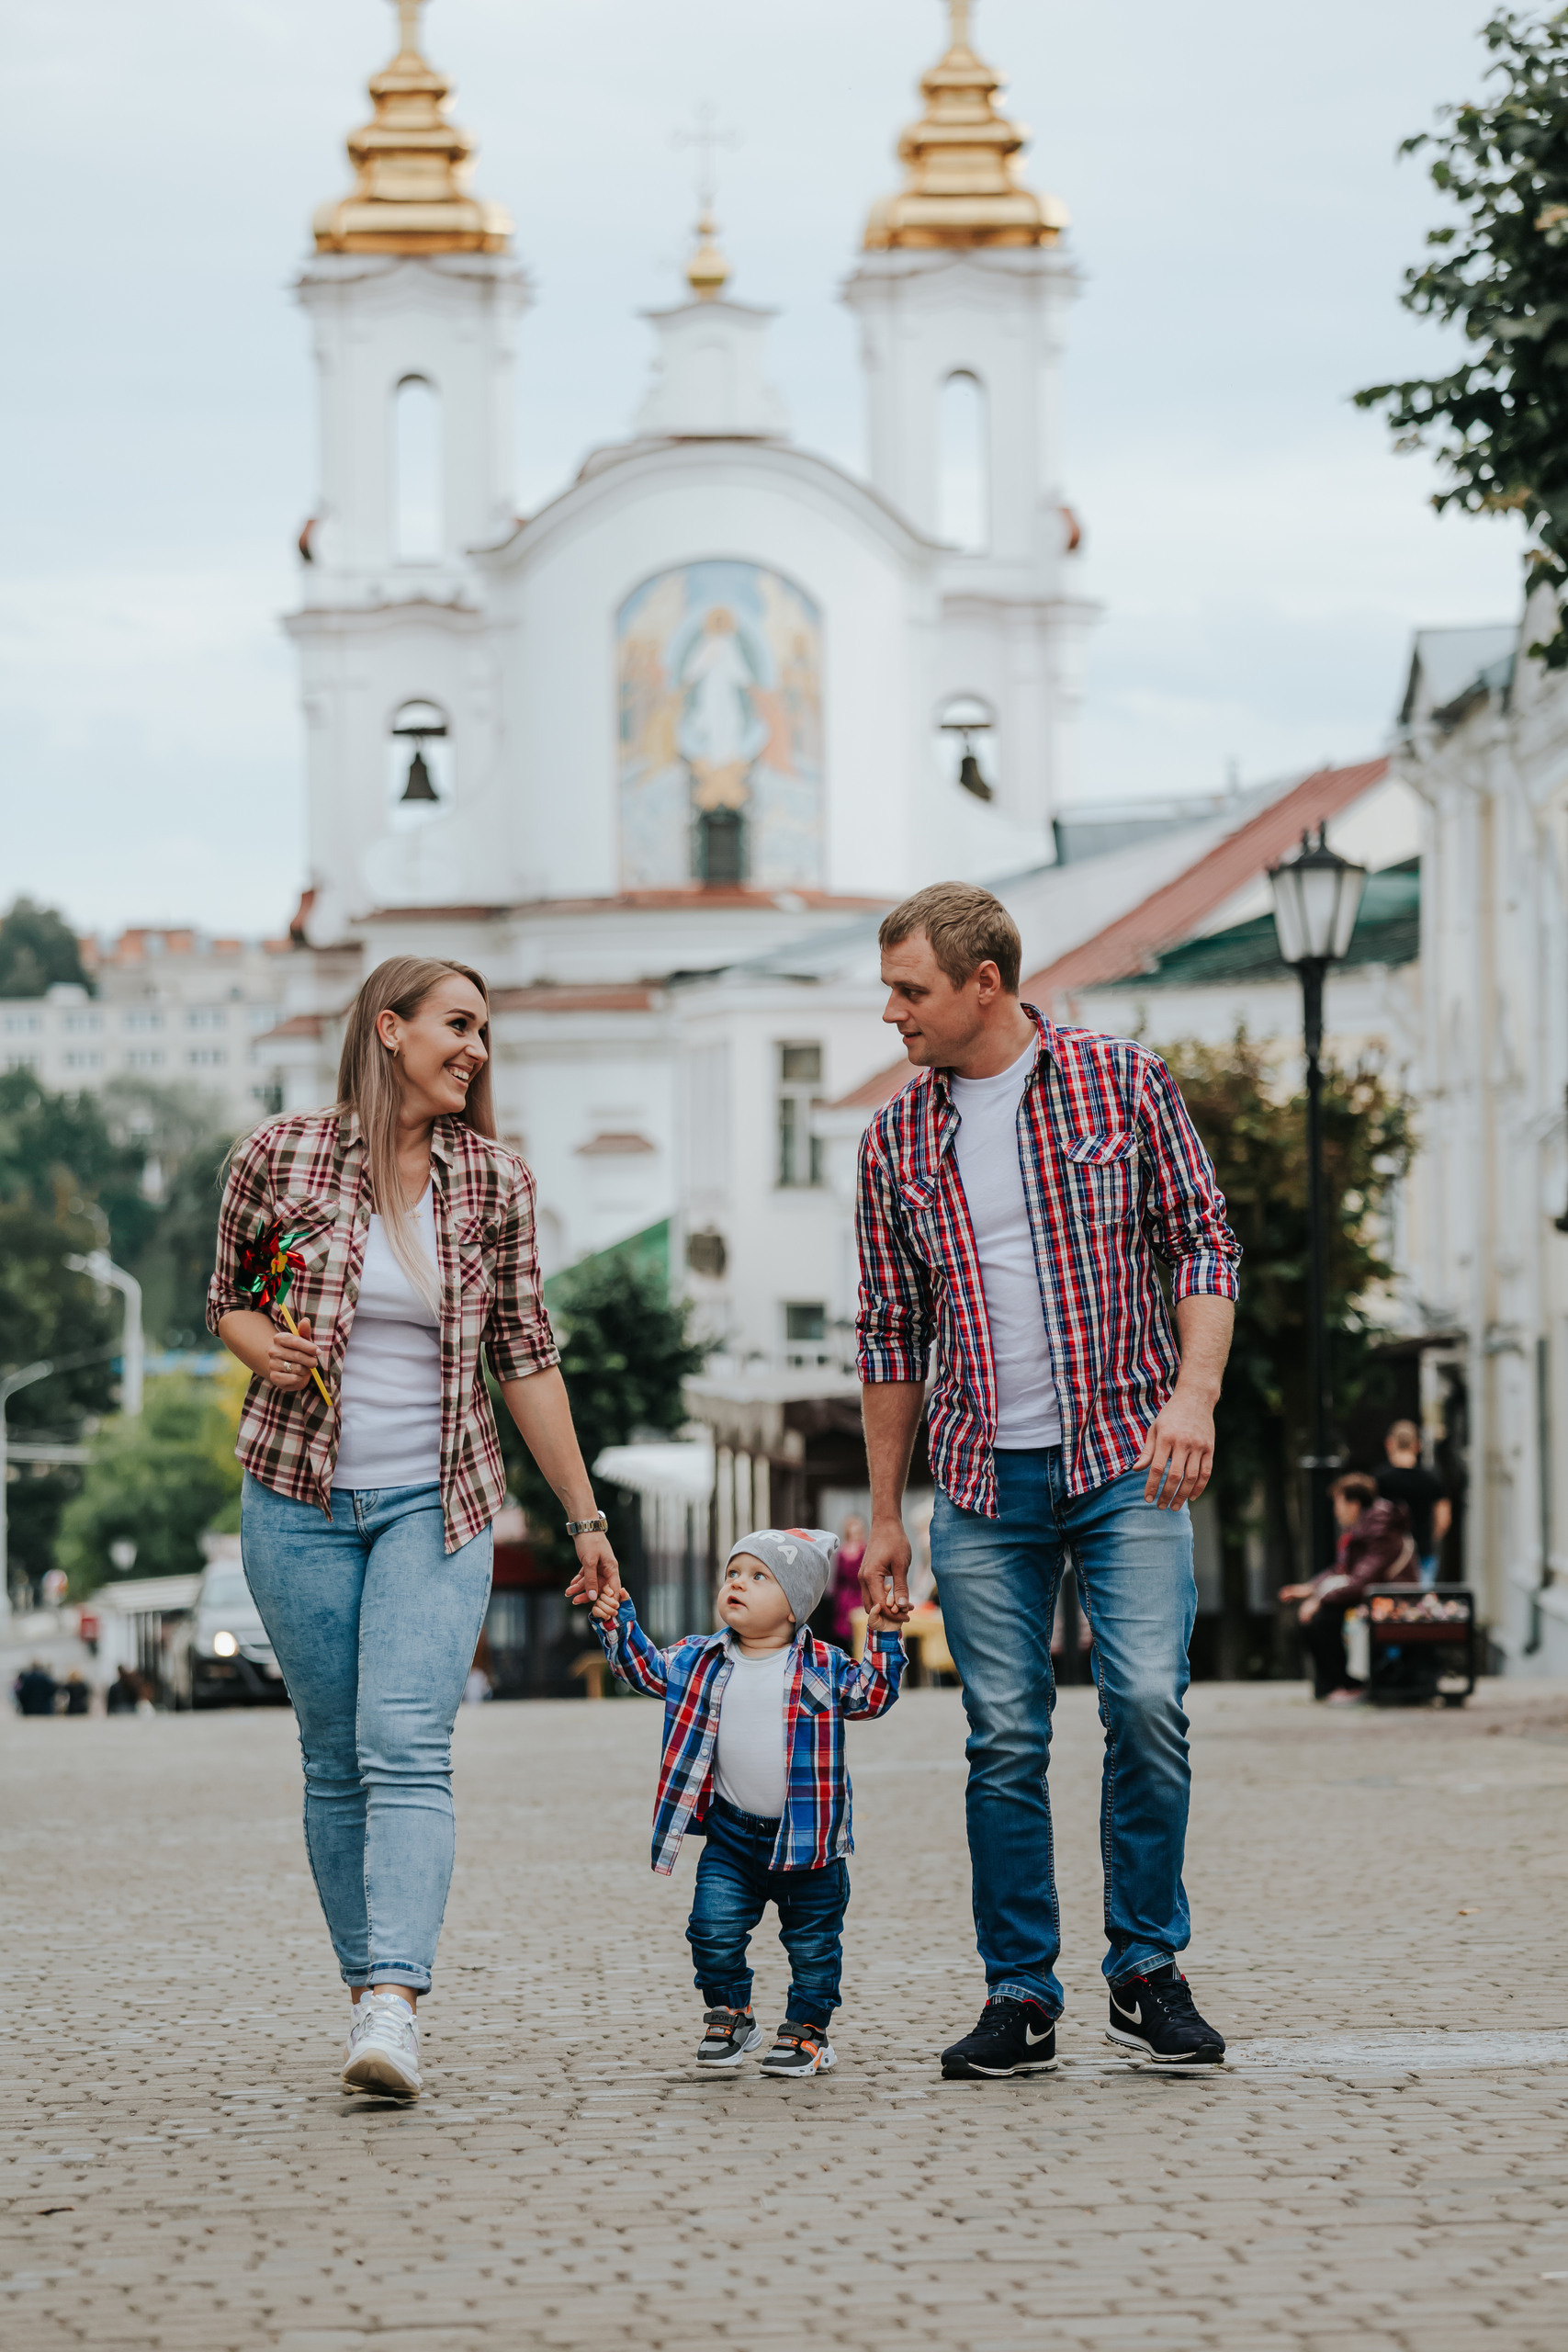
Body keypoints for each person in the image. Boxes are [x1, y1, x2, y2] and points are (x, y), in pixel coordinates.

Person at [209, 955, 618, 2102]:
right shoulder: (279, 1153)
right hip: (295, 1498)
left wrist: (584, 1516)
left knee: (406, 1744)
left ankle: (397, 1998)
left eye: (483, 1031)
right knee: (335, 1758)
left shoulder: (494, 1182)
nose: (476, 1048)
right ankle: (365, 2002)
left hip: (437, 1505)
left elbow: (527, 1357)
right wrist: (261, 1346)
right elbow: (228, 1296)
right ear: (388, 1029)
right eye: (457, 1025)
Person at [853, 883, 1240, 2078]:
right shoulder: (894, 1139)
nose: (890, 1015)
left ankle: (1144, 1968)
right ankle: (1019, 1992)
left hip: (1126, 1458)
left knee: (1143, 1705)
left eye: (908, 990)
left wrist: (1193, 1395)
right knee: (1003, 1737)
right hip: (981, 1480)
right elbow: (885, 1334)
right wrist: (881, 1518)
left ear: (984, 983)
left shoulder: (1119, 1083)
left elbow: (1200, 1237)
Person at [582, 1527, 904, 2077]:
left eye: (759, 1578)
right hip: (732, 1837)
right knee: (710, 1928)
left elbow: (873, 1696)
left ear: (794, 1608)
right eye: (733, 1573)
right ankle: (732, 2012)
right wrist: (617, 1618)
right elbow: (643, 1669)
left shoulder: (822, 1665)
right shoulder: (698, 1659)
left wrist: (885, 1635)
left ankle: (808, 2030)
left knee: (813, 1946)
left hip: (809, 1843)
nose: (738, 1584)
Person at [1280, 1473, 1417, 1702]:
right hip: (1374, 1595)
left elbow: (1360, 1581)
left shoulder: (1378, 1531)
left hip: (1392, 1598)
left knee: (1322, 1619)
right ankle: (1335, 1684)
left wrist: (1319, 1600)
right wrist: (1310, 1588)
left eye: (1338, 1503)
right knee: (1317, 1619)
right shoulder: (1365, 1527)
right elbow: (1344, 1570)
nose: (1336, 1511)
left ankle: (1346, 1684)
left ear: (1354, 1504)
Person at [1376, 1419, 1450, 1587]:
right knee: (1419, 1606)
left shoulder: (1379, 1479)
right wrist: (1428, 1538)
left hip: (1387, 1556)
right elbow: (1444, 1520)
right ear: (1417, 1445)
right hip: (1422, 1553)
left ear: (1389, 1444)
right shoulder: (1432, 1480)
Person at [826, 1514, 867, 1649]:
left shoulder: (866, 1550)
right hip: (845, 1599)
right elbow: (838, 1580)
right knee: (843, 1636)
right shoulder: (842, 1553)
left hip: (862, 1596)